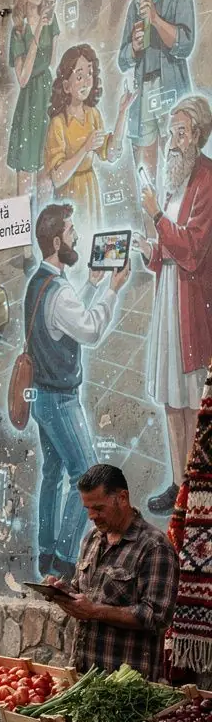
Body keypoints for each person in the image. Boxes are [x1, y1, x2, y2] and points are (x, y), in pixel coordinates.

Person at [25, 204, 130, 579]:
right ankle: (65, 560)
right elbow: (87, 329)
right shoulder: (58, 292)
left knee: (52, 475)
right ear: (57, 242)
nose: (77, 237)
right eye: (71, 232)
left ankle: (45, 554)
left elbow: (62, 317)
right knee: (86, 477)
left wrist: (93, 284)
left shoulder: (39, 282)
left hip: (40, 397)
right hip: (59, 399)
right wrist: (112, 289)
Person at [134, 96, 212, 513]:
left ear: (197, 135)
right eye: (170, 133)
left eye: (181, 132)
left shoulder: (207, 178)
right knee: (171, 397)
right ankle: (179, 482)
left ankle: (198, 485)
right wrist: (150, 249)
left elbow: (194, 249)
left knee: (192, 399)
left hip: (191, 304)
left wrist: (156, 217)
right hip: (168, 297)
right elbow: (169, 245)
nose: (172, 141)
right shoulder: (174, 178)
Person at [48, 464, 179, 679]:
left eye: (98, 508)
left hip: (126, 686)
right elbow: (83, 593)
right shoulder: (91, 539)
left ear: (122, 498)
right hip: (84, 676)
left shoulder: (154, 546)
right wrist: (62, 592)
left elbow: (157, 617)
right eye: (87, 508)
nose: (91, 516)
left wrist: (95, 611)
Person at [118, 0, 196, 184]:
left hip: (170, 87)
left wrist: (156, 19)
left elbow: (185, 43)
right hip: (144, 93)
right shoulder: (136, 5)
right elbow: (122, 59)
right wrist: (134, 48)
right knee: (147, 178)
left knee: (180, 172)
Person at [44, 44, 134, 225]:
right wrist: (85, 148)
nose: (86, 82)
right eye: (79, 77)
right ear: (66, 86)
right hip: (68, 197)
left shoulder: (93, 114)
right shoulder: (58, 123)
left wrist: (122, 113)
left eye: (90, 74)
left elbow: (111, 154)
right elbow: (57, 178)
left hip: (90, 191)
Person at [7, 0, 60, 201]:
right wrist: (38, 30)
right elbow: (23, 78)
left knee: (47, 173)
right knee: (26, 179)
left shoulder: (51, 19)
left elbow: (52, 62)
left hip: (48, 97)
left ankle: (46, 223)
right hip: (29, 104)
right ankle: (24, 227)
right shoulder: (19, 30)